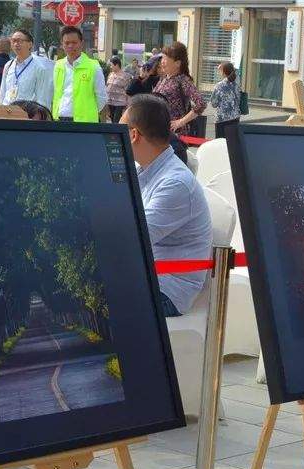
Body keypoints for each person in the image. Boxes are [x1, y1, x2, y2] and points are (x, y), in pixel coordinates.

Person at [120, 94, 212, 316]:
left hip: (167, 290)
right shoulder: (146, 168)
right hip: (147, 277)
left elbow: (130, 240)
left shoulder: (175, 184)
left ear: (133, 135)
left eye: (119, 129)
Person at [52, 26, 107, 122]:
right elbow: (54, 92)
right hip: (59, 119)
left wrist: (88, 112)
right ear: (62, 44)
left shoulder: (93, 67)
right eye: (67, 43)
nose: (70, 46)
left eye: (74, 42)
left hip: (84, 122)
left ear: (81, 43)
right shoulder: (58, 65)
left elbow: (101, 98)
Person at [152, 42, 206, 137]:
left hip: (174, 135)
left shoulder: (183, 80)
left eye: (165, 58)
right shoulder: (164, 78)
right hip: (159, 131)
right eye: (162, 58)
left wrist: (181, 122)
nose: (162, 62)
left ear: (177, 63)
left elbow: (201, 103)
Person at [0, 29, 54, 110]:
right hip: (7, 113)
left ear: (30, 44)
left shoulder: (39, 67)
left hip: (27, 115)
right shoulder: (8, 65)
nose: (16, 44)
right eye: (13, 41)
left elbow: (43, 98)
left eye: (20, 41)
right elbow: (2, 93)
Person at [211, 62, 240, 139]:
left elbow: (214, 103)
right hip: (235, 118)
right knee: (232, 143)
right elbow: (238, 100)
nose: (219, 72)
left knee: (221, 144)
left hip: (222, 119)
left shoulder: (219, 86)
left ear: (224, 72)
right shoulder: (236, 85)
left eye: (220, 70)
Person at [105, 55, 131, 123]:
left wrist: (128, 105)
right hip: (110, 102)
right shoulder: (111, 74)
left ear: (116, 65)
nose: (110, 67)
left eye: (111, 65)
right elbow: (107, 86)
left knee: (116, 121)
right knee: (112, 120)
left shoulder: (125, 76)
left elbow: (128, 91)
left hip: (119, 103)